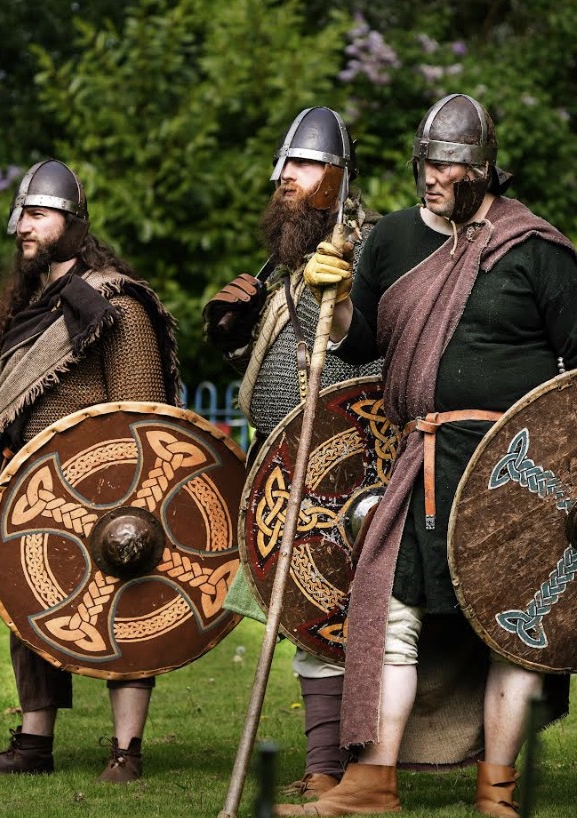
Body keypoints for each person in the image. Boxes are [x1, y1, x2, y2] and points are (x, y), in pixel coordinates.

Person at [292, 93, 577, 818]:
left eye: (448, 165)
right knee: (392, 610)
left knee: (512, 623)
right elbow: (360, 343)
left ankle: (496, 790)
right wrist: (336, 302)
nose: (431, 175)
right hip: (423, 459)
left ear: (483, 170)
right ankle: (373, 781)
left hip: (516, 469)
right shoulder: (393, 239)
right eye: (425, 162)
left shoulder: (533, 247)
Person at [0, 158, 181, 782]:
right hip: (31, 482)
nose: (23, 228)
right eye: (22, 216)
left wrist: (127, 485)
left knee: (125, 606)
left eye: (37, 215)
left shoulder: (113, 303)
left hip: (110, 488)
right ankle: (34, 743)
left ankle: (127, 750)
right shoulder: (21, 304)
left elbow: (145, 410)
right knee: (29, 605)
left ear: (71, 221)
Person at [202, 106, 381, 802]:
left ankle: (342, 763)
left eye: (301, 168)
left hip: (346, 467)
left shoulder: (361, 255)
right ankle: (322, 763)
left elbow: (368, 353)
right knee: (309, 618)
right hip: (284, 465)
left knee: (335, 618)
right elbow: (278, 364)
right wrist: (236, 339)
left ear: (336, 177)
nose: (284, 179)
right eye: (284, 167)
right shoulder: (286, 263)